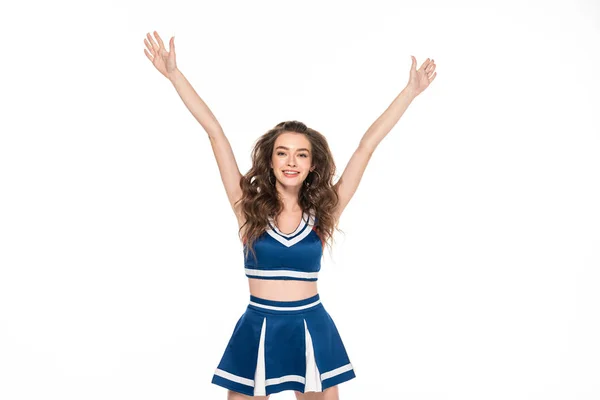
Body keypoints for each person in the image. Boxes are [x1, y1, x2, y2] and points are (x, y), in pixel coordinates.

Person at [144, 30, 436, 400]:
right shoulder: (246, 207)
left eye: (301, 154)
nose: (291, 161)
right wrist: (174, 75)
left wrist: (410, 92)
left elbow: (367, 146)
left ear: (313, 164)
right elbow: (215, 134)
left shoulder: (324, 211)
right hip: (258, 324)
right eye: (282, 153)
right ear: (270, 159)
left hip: (310, 325)